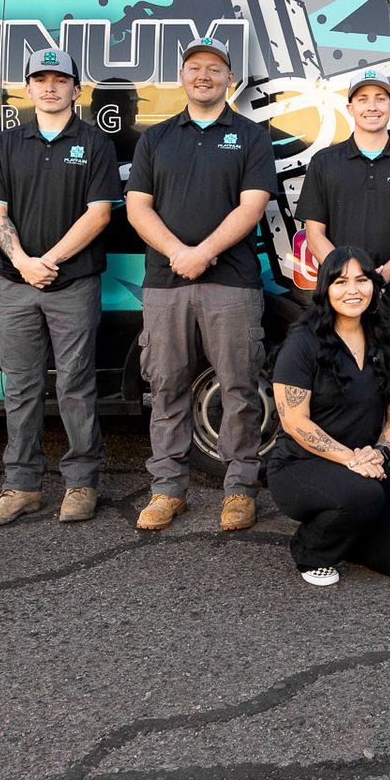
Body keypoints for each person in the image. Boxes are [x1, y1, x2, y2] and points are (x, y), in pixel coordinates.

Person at [126, 35, 277, 534]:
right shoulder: (156, 138)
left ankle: (240, 490)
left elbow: (252, 206)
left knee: (239, 387)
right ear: (182, 76)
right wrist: (178, 253)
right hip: (164, 284)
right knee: (165, 387)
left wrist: (204, 252)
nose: (204, 76)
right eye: (195, 67)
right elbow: (137, 207)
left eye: (214, 68)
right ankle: (168, 490)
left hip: (232, 283)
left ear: (230, 78)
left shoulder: (251, 136)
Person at [0, 49, 122, 526]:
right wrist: (22, 261)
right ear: (29, 88)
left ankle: (81, 483)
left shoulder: (95, 142)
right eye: (41, 79)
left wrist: (49, 261)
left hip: (72, 283)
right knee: (20, 386)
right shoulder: (6, 143)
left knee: (76, 384)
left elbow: (99, 214)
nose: (50, 87)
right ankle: (21, 486)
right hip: (15, 283)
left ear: (76, 89)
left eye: (60, 79)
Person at [296, 69, 390, 526]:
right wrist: (348, 280)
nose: (372, 106)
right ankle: (345, 479)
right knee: (340, 395)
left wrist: (376, 280)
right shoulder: (325, 163)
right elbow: (314, 232)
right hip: (337, 310)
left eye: (381, 98)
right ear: (350, 107)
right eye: (363, 98)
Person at [268, 247, 390, 586]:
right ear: (325, 289)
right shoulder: (303, 342)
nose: (353, 290)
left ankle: (344, 529)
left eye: (362, 280)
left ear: (375, 286)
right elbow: (294, 421)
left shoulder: (386, 338)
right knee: (364, 495)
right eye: (341, 282)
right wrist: (351, 460)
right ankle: (310, 550)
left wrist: (379, 452)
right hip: (300, 464)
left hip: (364, 463)